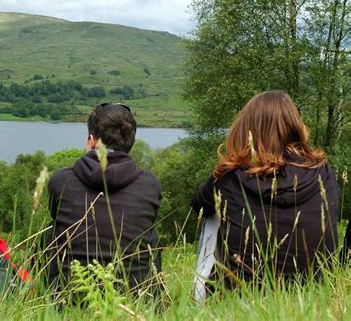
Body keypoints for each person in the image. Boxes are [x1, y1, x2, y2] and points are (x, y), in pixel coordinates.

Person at [191, 90, 339, 284]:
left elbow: (198, 205)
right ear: (295, 127)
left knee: (211, 215)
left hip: (240, 294)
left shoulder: (230, 176)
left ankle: (201, 291)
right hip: (318, 290)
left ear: (246, 129)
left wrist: (218, 176)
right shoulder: (323, 171)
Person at [46, 103, 162, 291]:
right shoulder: (149, 185)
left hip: (71, 298)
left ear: (92, 141)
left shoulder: (61, 180)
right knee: (151, 235)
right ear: (129, 143)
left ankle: (51, 291)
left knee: (52, 230)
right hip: (134, 300)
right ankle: (150, 291)